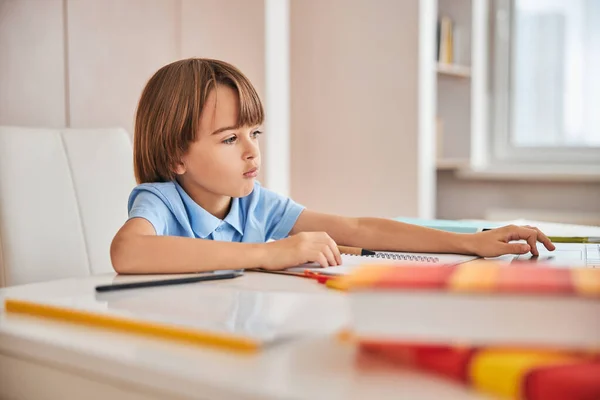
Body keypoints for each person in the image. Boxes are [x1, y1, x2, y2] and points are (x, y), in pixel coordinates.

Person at [110, 58, 554, 274]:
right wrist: (268, 253)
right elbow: (127, 252)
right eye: (230, 138)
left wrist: (471, 243)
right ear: (176, 157)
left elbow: (359, 228)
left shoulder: (255, 205)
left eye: (255, 133)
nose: (251, 151)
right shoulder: (163, 201)